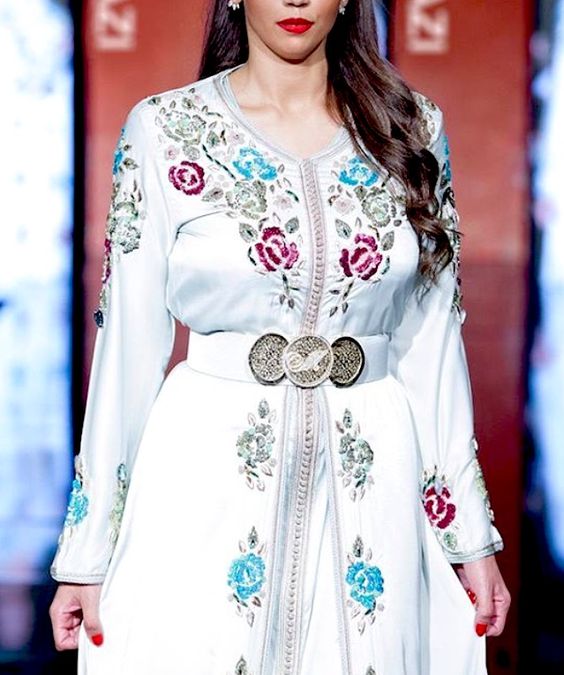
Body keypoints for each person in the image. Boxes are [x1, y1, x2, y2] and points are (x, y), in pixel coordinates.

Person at [48, 0, 511, 673]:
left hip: (373, 476)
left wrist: (470, 538)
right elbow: (128, 351)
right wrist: (86, 556)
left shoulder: (410, 129)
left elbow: (433, 346)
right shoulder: (168, 130)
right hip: (204, 472)